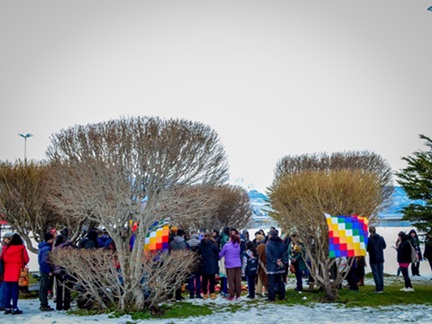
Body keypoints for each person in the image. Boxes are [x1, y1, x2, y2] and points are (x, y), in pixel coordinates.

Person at [1, 232, 30, 315]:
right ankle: (15, 307)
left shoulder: (6, 248)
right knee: (15, 291)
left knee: (7, 291)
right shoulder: (21, 248)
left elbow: (2, 258)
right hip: (18, 272)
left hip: (7, 272)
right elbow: (26, 259)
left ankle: (7, 307)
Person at [52, 234, 74, 311]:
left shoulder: (54, 248)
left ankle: (58, 305)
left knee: (59, 288)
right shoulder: (66, 248)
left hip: (56, 270)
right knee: (67, 288)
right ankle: (66, 305)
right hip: (65, 269)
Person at [266, 229, 287, 301]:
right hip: (281, 265)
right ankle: (282, 296)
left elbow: (268, 254)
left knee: (271, 283)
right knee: (281, 282)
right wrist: (280, 260)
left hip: (272, 266)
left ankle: (271, 297)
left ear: (271, 235)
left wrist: (275, 260)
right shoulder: (282, 243)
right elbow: (284, 252)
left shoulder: (269, 243)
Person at [219, 234, 242, 300]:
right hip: (238, 264)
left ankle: (232, 295)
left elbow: (221, 254)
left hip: (230, 265)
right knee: (237, 280)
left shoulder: (226, 246)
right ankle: (238, 295)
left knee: (231, 281)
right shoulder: (238, 246)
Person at [198, 232, 219, 300]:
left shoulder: (201, 244)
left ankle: (205, 294)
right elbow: (217, 252)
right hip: (212, 262)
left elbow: (198, 252)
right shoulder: (214, 244)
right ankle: (212, 293)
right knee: (212, 279)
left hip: (204, 262)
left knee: (204, 279)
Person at [169, 228, 188, 301]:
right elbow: (187, 252)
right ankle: (178, 295)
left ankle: (170, 294)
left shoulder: (171, 242)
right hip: (181, 262)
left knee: (171, 278)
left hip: (172, 261)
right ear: (183, 235)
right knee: (179, 279)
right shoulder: (184, 243)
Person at [366, 226, 386, 293]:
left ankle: (378, 288)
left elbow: (367, 249)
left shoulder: (369, 239)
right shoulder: (381, 238)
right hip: (380, 258)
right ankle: (381, 287)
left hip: (373, 258)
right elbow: (384, 246)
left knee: (375, 273)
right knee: (380, 273)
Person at [38, 232, 55, 311]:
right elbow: (44, 261)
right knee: (45, 287)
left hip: (43, 270)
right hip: (46, 270)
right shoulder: (47, 249)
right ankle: (44, 304)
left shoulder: (42, 247)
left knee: (42, 287)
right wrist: (49, 270)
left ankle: (43, 303)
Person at [0, 232, 14, 311]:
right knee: (4, 287)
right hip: (3, 269)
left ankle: (4, 302)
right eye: (8, 238)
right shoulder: (3, 248)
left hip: (4, 269)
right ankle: (3, 303)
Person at [186, 232, 202, 299]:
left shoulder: (187, 243)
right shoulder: (199, 243)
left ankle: (191, 294)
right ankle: (198, 294)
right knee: (198, 280)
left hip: (190, 263)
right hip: (198, 263)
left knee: (191, 280)